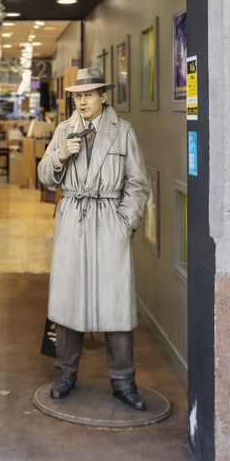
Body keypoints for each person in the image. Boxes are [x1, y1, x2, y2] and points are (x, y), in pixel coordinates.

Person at [37, 67, 150, 410]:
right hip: (73, 218)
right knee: (69, 298)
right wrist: (60, 155)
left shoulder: (123, 132)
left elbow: (138, 184)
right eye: (77, 96)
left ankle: (123, 381)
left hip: (108, 220)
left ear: (103, 96)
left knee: (114, 300)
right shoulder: (63, 130)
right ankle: (65, 374)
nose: (82, 101)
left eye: (88, 95)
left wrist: (124, 223)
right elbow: (44, 178)